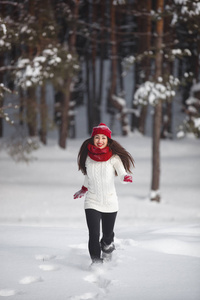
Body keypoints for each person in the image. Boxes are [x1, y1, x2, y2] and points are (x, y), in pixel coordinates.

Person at [73, 123, 134, 264]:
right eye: (97, 137)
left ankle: (107, 246)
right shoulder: (88, 157)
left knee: (107, 236)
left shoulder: (114, 158)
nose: (100, 141)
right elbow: (89, 176)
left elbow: (122, 174)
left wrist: (125, 178)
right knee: (93, 234)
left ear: (108, 140)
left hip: (110, 202)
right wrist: (83, 189)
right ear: (93, 139)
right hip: (92, 201)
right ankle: (96, 262)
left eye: (103, 138)